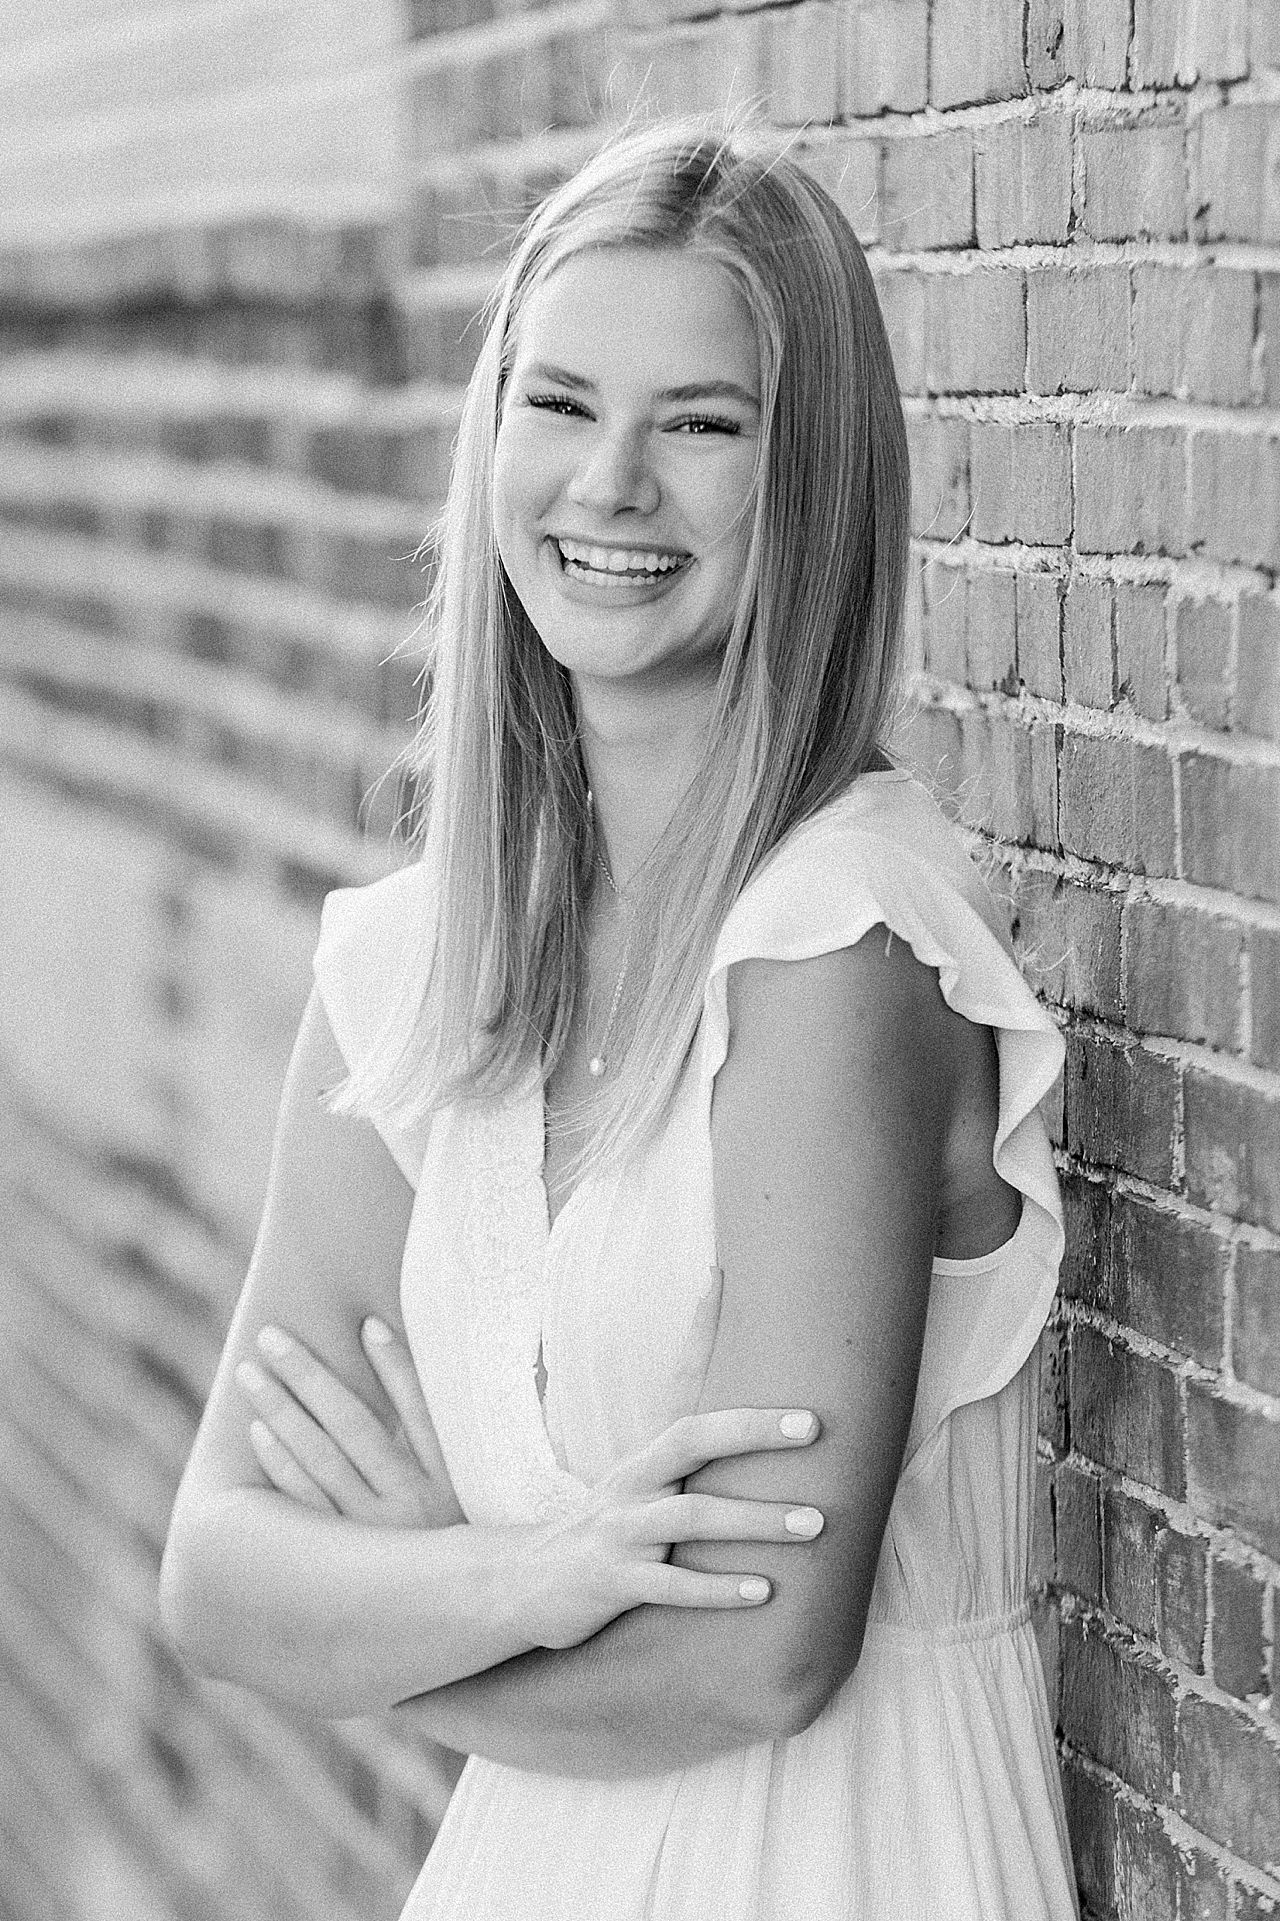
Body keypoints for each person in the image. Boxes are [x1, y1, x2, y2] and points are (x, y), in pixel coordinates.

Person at [160, 120, 1080, 1919]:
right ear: (491, 437)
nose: (613, 486)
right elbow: (215, 1572)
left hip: (835, 1862)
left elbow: (762, 1662)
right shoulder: (418, 975)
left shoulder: (837, 944)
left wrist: (389, 1613)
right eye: (563, 405)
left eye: (704, 424)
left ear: (808, 481)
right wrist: (522, 1575)